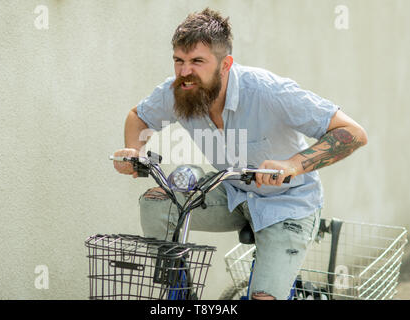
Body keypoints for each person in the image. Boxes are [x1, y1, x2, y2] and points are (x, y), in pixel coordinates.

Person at [112, 8, 367, 300]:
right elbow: (138, 115)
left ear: (225, 64)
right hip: (230, 191)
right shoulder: (180, 91)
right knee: (155, 204)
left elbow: (353, 133)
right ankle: (178, 294)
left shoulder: (270, 92)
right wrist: (133, 150)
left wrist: (294, 164)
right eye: (178, 61)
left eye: (197, 61)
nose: (184, 72)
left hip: (287, 203)